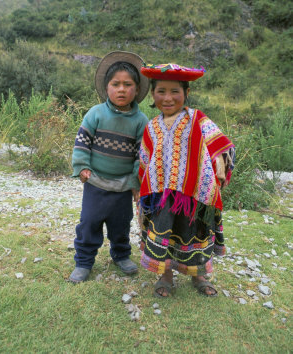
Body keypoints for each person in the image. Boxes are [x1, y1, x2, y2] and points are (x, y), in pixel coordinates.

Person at [138, 63, 235, 298]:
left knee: (196, 233)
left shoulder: (198, 120)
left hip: (195, 196)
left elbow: (220, 144)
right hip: (162, 197)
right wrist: (141, 190)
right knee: (165, 233)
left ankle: (199, 276)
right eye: (161, 91)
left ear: (186, 93)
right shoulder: (151, 127)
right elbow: (145, 160)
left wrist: (220, 168)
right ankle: (165, 276)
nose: (168, 98)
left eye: (175, 92)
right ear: (152, 94)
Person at [69, 51, 149, 283]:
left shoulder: (140, 121)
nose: (121, 89)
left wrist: (136, 182)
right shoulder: (95, 114)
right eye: (116, 84)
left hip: (123, 185)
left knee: (121, 224)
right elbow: (82, 141)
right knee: (89, 222)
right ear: (107, 88)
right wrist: (82, 166)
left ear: (137, 89)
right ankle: (84, 262)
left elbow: (141, 155)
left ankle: (121, 255)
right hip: (96, 182)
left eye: (128, 84)